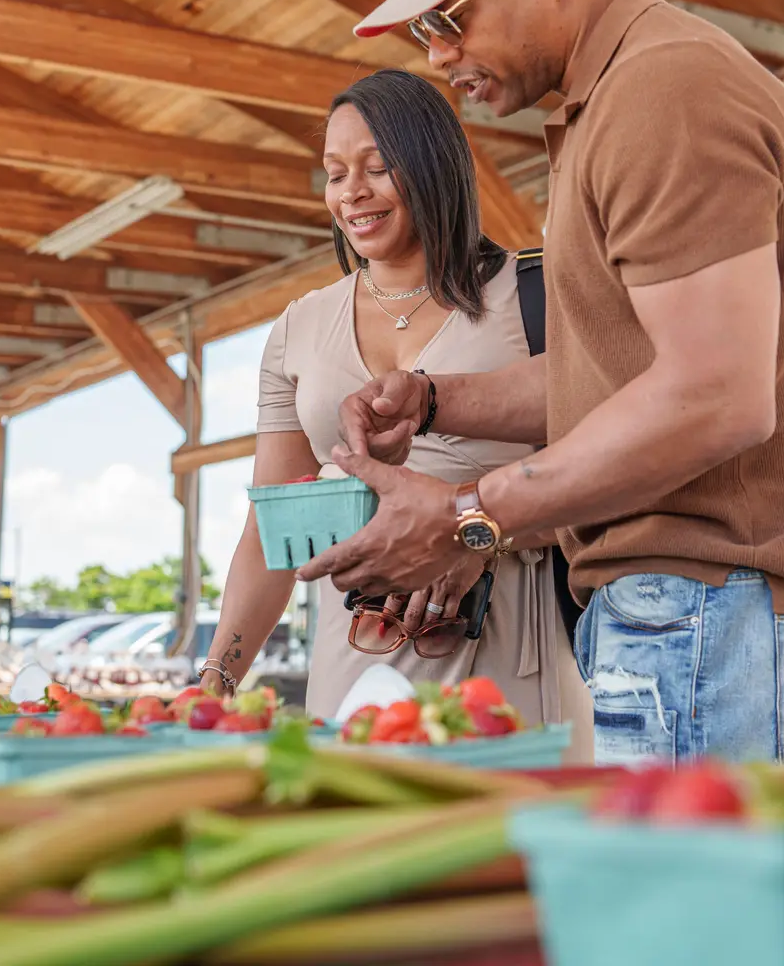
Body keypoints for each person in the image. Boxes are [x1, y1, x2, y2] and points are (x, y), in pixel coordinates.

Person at [299, 0, 784, 773]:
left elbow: (714, 395)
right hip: (704, 609)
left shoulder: (665, 88)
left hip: (731, 604)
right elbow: (616, 377)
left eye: (449, 17)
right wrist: (431, 402)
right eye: (424, 28)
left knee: (696, 915)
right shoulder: (612, 103)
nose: (437, 55)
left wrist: (470, 513)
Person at [200, 68, 588, 734]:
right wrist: (216, 680)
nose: (352, 193)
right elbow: (270, 533)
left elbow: (617, 474)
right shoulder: (299, 328)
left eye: (377, 168)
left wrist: (477, 536)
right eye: (335, 172)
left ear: (435, 168)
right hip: (354, 665)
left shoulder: (537, 295)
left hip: (508, 666)